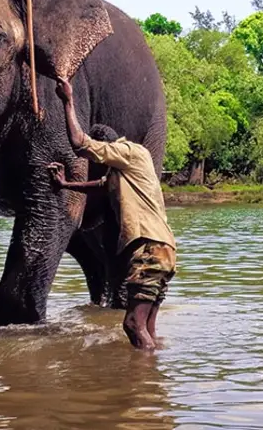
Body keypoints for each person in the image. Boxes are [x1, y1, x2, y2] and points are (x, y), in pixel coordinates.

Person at [48, 76, 176, 351]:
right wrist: (65, 184)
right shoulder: (127, 171)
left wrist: (68, 101)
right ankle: (153, 383)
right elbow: (99, 185)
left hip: (148, 250)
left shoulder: (131, 152)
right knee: (148, 328)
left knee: (132, 324)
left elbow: (80, 143)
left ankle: (138, 388)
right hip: (164, 251)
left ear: (109, 147)